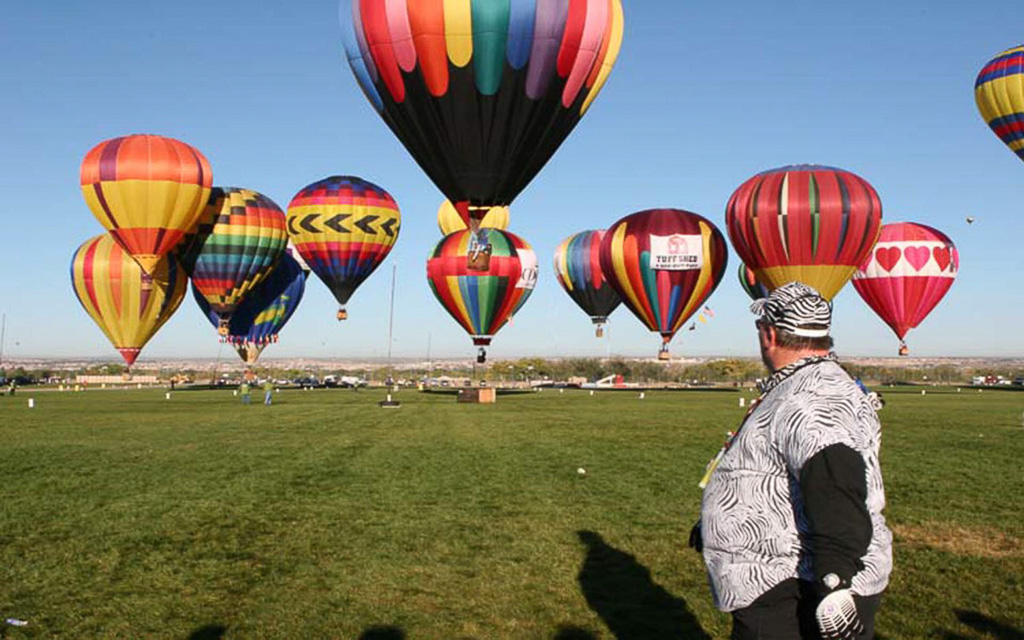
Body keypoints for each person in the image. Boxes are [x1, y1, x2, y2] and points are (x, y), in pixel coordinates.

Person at [691, 282, 891, 639]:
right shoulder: (807, 383)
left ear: (769, 333)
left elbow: (835, 479)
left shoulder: (810, 396)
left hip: (794, 584)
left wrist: (835, 580)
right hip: (788, 576)